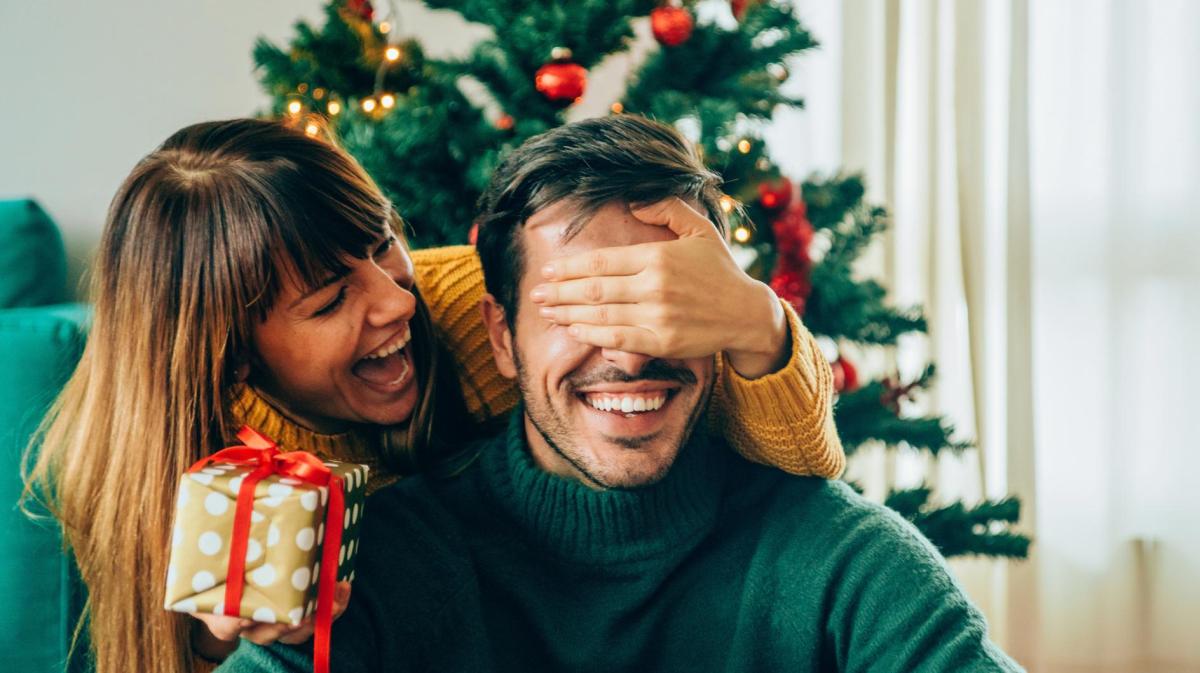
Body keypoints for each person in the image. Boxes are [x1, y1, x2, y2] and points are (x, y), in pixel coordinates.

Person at [22, 118, 844, 673]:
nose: (395, 301)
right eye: (329, 300)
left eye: (383, 243)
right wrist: (214, 645)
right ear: (235, 359)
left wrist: (757, 319)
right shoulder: (172, 480)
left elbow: (798, 464)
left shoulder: (477, 311)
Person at [218, 114, 1022, 673]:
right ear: (500, 334)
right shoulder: (374, 566)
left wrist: (759, 318)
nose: (631, 351)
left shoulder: (843, 561)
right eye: (579, 309)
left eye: (663, 304)